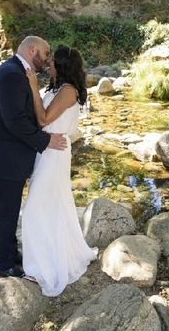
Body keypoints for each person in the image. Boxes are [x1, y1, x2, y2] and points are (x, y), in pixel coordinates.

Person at [0, 36, 68, 279]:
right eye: (45, 54)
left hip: (7, 156)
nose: (47, 60)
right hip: (2, 158)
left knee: (9, 209)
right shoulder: (11, 74)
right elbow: (14, 120)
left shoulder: (17, 72)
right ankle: (3, 265)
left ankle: (9, 253)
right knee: (5, 212)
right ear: (32, 50)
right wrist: (46, 141)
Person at [21, 44, 98, 296]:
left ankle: (40, 266)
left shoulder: (67, 91)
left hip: (55, 154)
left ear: (62, 65)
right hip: (46, 152)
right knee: (51, 206)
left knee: (34, 207)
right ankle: (50, 255)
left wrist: (32, 85)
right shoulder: (56, 88)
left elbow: (44, 119)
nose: (49, 62)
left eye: (53, 60)